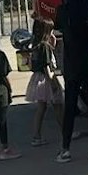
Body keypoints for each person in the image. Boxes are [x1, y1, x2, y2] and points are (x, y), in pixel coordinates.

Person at [55, 0, 88, 165]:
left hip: (71, 64)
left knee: (70, 107)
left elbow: (58, 31)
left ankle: (65, 149)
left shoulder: (62, 11)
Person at [24, 18, 59, 147]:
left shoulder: (36, 45)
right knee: (57, 105)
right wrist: (53, 83)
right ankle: (65, 130)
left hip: (37, 78)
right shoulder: (45, 46)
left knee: (42, 107)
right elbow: (47, 66)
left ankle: (36, 135)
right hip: (46, 78)